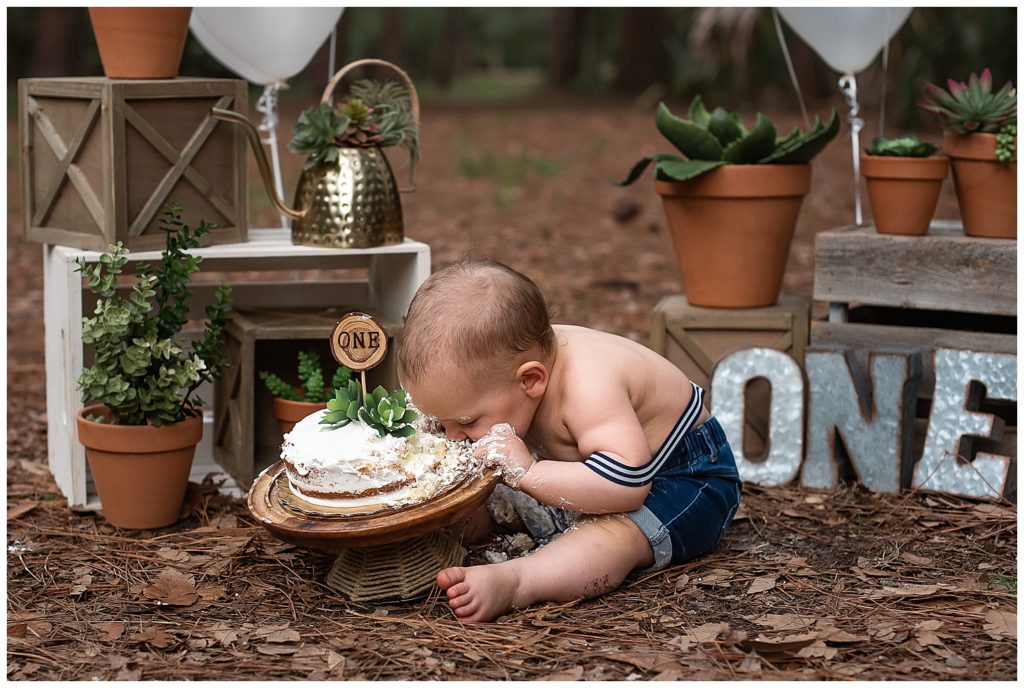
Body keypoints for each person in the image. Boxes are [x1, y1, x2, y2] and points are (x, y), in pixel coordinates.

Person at [398, 258, 741, 623]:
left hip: (683, 478)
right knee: (485, 486)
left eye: (466, 420)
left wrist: (529, 473)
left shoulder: (589, 387)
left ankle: (521, 580)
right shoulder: (507, 362)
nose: (453, 435)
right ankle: (444, 532)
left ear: (531, 381)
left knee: (613, 536)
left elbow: (628, 486)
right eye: (442, 422)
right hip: (590, 473)